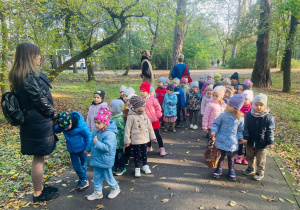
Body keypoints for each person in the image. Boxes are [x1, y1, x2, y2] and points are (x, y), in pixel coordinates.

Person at [9, 43, 58, 202]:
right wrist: (53, 114)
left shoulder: (22, 75)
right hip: (38, 123)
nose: (40, 57)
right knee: (39, 157)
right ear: (29, 56)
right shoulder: (28, 77)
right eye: (37, 54)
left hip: (35, 122)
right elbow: (41, 101)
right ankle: (38, 193)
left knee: (41, 156)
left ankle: (40, 187)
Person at [86, 108, 121, 200]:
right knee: (96, 177)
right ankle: (98, 192)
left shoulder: (110, 134)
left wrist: (97, 142)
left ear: (105, 123)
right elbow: (92, 141)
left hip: (105, 160)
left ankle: (115, 188)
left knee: (108, 177)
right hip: (97, 159)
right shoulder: (96, 131)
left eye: (98, 123)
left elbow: (107, 148)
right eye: (95, 122)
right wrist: (88, 149)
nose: (96, 125)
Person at [211, 94, 245, 181]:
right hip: (221, 140)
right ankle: (219, 168)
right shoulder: (223, 115)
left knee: (231, 157)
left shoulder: (240, 118)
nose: (228, 107)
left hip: (232, 143)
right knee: (221, 156)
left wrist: (240, 138)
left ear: (236, 108)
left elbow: (240, 130)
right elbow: (216, 124)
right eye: (228, 104)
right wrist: (213, 131)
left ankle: (231, 169)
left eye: (231, 105)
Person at [242, 93, 275, 181]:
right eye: (256, 105)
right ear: (253, 104)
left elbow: (270, 130)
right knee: (249, 156)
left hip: (262, 142)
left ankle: (260, 172)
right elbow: (246, 127)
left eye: (261, 105)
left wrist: (270, 142)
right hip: (250, 140)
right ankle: (250, 168)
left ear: (265, 105)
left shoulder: (268, 117)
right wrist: (245, 137)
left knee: (260, 158)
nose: (258, 107)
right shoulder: (249, 115)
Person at [55, 111, 91, 189]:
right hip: (72, 149)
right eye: (63, 128)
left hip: (83, 149)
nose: (65, 129)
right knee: (76, 167)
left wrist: (88, 148)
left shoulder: (81, 125)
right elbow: (56, 130)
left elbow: (88, 136)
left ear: (71, 122)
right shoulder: (63, 124)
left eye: (67, 127)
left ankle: (82, 179)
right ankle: (84, 179)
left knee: (83, 164)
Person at [124, 96, 156, 178]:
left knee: (144, 153)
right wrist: (127, 141)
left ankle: (145, 165)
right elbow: (127, 129)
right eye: (143, 106)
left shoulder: (144, 115)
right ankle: (137, 167)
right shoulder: (131, 116)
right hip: (135, 140)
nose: (144, 107)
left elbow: (149, 126)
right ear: (136, 106)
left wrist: (152, 136)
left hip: (145, 139)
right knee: (136, 154)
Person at [140, 82, 165, 156]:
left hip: (153, 121)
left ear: (148, 91)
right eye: (140, 91)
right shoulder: (140, 100)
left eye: (143, 91)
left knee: (157, 134)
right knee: (146, 134)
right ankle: (149, 146)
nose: (141, 93)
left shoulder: (152, 99)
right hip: (144, 121)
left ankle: (161, 147)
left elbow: (158, 108)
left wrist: (158, 115)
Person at [236, 90, 254, 165]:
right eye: (243, 99)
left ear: (250, 100)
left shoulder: (252, 108)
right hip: (240, 128)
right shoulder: (239, 107)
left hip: (249, 128)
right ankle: (239, 155)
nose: (245, 101)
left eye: (246, 99)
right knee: (240, 142)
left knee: (247, 143)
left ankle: (246, 157)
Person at [110, 99, 126, 176]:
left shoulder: (119, 119)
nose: (109, 107)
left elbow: (122, 130)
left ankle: (121, 166)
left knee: (119, 154)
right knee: (114, 154)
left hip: (119, 140)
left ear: (115, 108)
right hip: (112, 139)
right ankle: (115, 165)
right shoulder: (111, 116)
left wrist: (124, 140)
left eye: (111, 106)